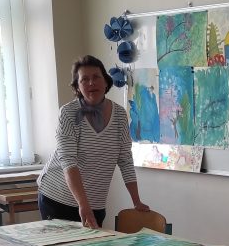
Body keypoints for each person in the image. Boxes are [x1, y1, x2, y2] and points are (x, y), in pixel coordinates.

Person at [37, 55, 150, 228]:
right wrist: (83, 204)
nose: (91, 83)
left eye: (96, 77)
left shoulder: (119, 115)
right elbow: (69, 162)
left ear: (106, 82)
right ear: (77, 87)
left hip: (95, 202)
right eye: (84, 79)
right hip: (58, 198)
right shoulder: (68, 113)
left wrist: (137, 201)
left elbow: (125, 159)